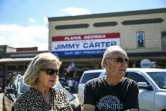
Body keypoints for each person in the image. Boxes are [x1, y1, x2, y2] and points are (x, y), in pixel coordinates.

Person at [83, 46, 139, 111]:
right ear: (105, 62)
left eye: (126, 60)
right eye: (119, 60)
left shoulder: (130, 86)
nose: (124, 64)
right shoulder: (91, 86)